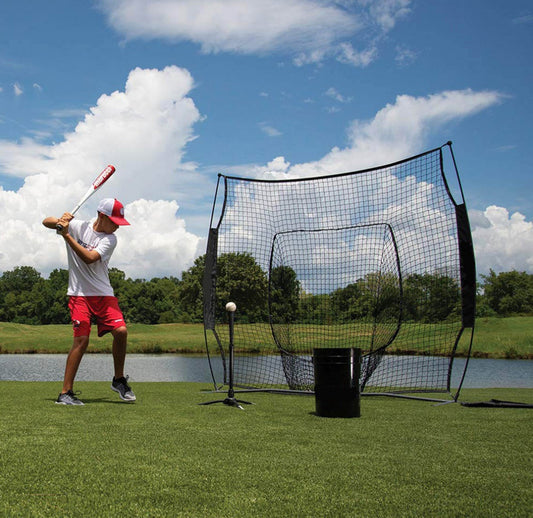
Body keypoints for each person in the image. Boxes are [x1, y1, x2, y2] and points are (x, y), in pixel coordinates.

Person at [42, 198, 136, 405]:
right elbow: (45, 221)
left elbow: (90, 258)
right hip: (79, 294)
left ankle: (118, 379)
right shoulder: (79, 226)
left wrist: (65, 235)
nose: (117, 227)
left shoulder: (110, 239)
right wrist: (61, 222)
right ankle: (65, 393)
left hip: (103, 293)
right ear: (101, 216)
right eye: (114, 222)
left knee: (121, 331)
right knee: (81, 340)